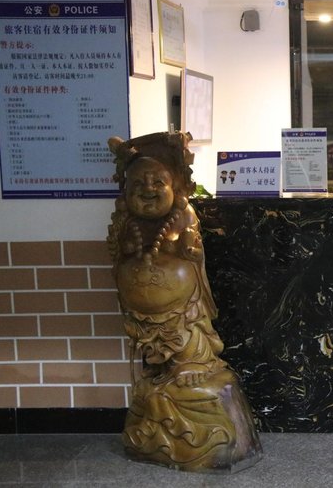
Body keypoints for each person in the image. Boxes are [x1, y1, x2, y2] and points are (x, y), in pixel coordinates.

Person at [107, 132, 261, 472]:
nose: (148, 189)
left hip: (182, 305)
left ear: (175, 186)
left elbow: (192, 253)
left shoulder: (183, 214)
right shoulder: (129, 222)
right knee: (154, 355)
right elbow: (119, 254)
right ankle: (165, 370)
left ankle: (192, 364)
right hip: (145, 312)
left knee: (188, 336)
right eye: (138, 184)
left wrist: (188, 247)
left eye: (157, 182)